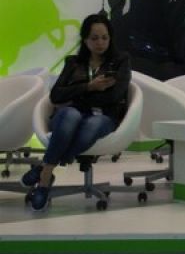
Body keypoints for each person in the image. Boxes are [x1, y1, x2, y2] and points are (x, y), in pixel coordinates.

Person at [22, 13, 132, 211]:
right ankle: (45, 177)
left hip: (104, 116)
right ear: (85, 40)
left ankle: (44, 172)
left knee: (92, 124)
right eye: (94, 38)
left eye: (105, 38)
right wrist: (89, 87)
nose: (100, 43)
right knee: (70, 115)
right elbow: (56, 95)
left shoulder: (120, 61)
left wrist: (78, 96)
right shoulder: (73, 63)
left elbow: (115, 96)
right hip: (71, 114)